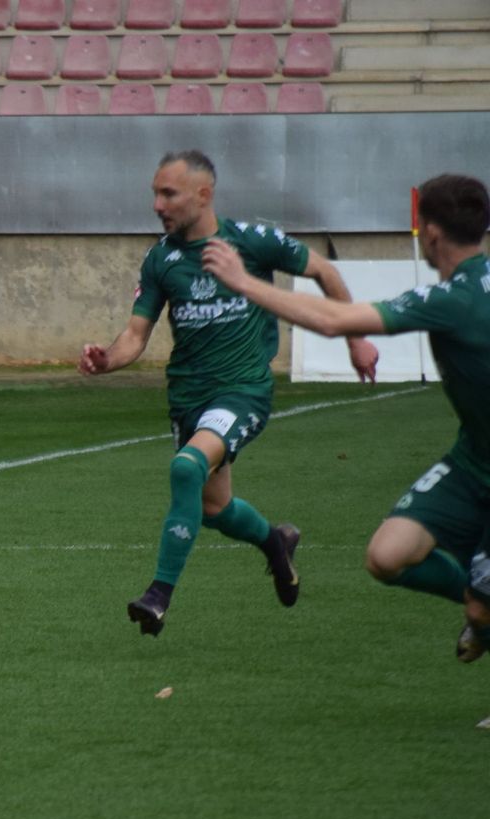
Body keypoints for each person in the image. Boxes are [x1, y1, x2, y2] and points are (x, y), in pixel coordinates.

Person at [80, 149, 380, 636]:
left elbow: (322, 270)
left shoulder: (252, 242)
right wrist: (106, 359)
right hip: (188, 398)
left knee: (186, 467)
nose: (157, 204)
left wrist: (356, 337)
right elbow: (136, 335)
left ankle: (158, 595)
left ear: (203, 194)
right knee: (213, 508)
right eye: (154, 193)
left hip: (243, 391)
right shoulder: (161, 259)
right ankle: (275, 543)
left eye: (168, 193)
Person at [203, 173, 490, 664]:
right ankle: (479, 599)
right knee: (387, 555)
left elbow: (334, 321)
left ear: (432, 233)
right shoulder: (461, 292)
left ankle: (483, 609)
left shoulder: (455, 300)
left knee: (483, 613)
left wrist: (241, 281)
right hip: (474, 459)